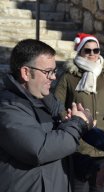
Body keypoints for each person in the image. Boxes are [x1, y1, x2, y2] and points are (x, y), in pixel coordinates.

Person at [0, 39, 98, 192]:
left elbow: (57, 152)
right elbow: (39, 150)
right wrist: (77, 123)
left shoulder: (46, 100)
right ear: (26, 73)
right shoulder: (8, 107)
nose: (53, 77)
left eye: (54, 71)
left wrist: (90, 168)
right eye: (47, 72)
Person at [54, 33, 104, 192]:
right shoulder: (69, 76)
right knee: (79, 187)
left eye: (96, 50)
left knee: (100, 188)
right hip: (79, 145)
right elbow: (57, 104)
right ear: (79, 51)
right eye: (87, 50)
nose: (92, 54)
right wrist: (68, 121)